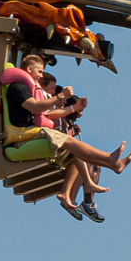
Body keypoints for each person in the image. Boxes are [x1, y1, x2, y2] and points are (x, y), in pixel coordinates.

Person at [1, 54, 131, 218]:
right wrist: (60, 97)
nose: (41, 75)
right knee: (67, 141)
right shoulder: (17, 86)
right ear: (28, 69)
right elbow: (35, 108)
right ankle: (109, 160)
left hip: (32, 136)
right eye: (40, 72)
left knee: (76, 150)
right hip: (21, 140)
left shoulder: (31, 88)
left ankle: (78, 189)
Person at [39, 70, 106, 222]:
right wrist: (72, 108)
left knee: (95, 163)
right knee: (80, 153)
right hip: (52, 148)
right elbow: (51, 117)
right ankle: (69, 196)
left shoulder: (65, 120)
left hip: (59, 148)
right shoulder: (50, 108)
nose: (80, 115)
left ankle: (88, 202)